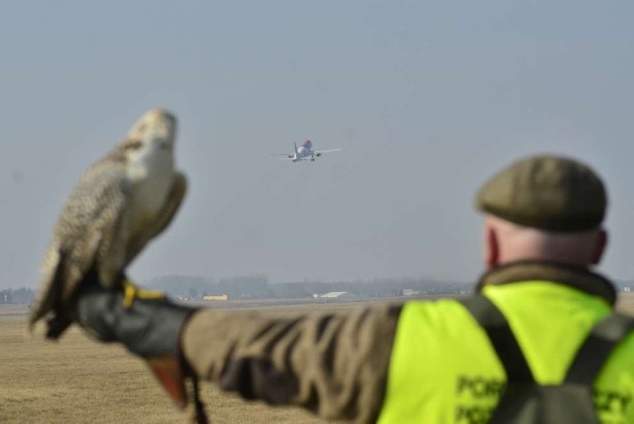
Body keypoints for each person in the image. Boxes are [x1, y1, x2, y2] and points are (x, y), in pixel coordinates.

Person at [74, 155, 634, 423]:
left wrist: (147, 322)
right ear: (601, 246)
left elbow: (261, 348)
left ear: (489, 245)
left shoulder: (410, 336)